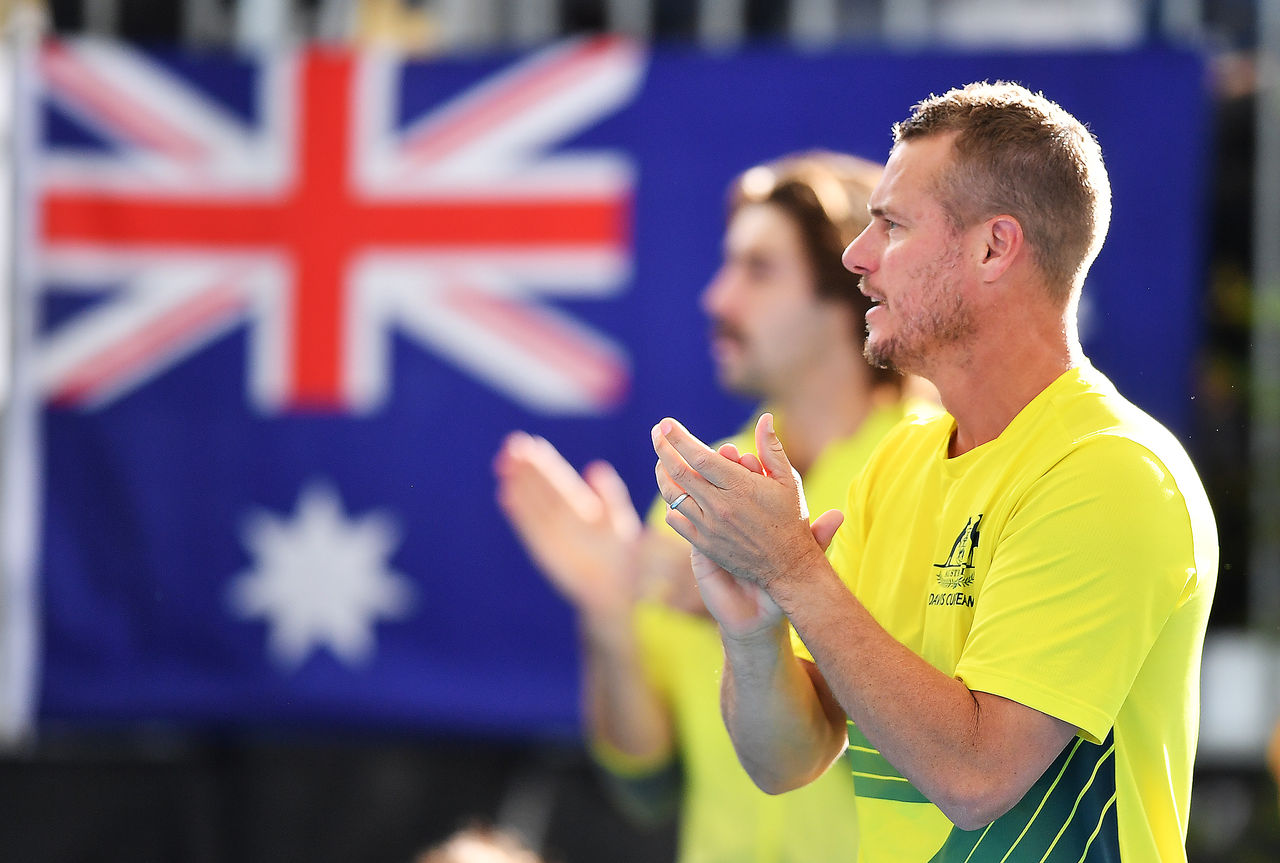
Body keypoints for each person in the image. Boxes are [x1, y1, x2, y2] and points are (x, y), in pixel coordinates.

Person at [652, 81, 1218, 862]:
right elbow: (786, 761)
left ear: (994, 246)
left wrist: (793, 569)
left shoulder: (1114, 469)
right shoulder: (901, 462)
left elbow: (977, 776)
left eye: (891, 225)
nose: (857, 255)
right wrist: (754, 628)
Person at [495, 152, 931, 863]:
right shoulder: (701, 482)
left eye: (759, 271)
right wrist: (608, 617)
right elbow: (646, 785)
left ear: (849, 287)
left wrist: (769, 609)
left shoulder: (945, 467)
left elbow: (969, 754)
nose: (718, 299)